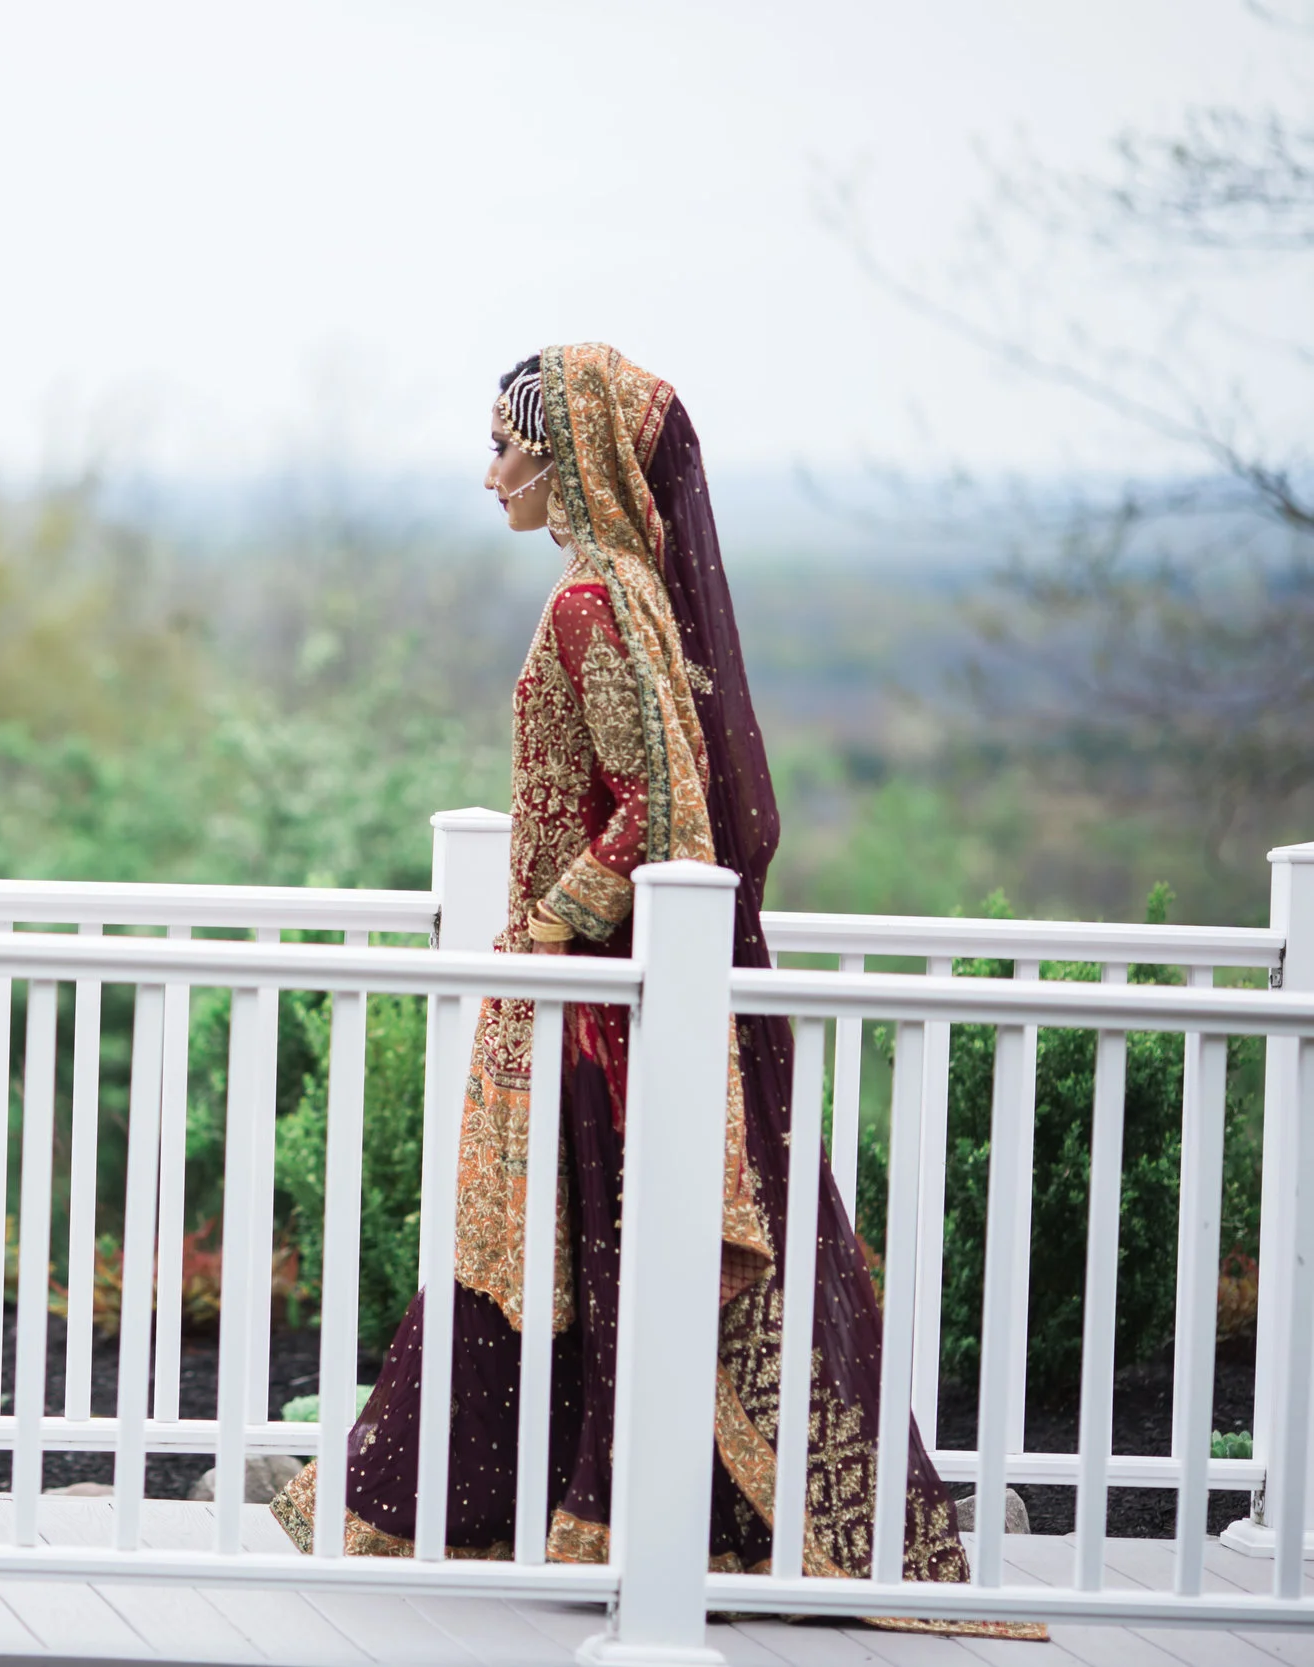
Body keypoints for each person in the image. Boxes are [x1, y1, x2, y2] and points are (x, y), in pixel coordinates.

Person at [271, 344, 1034, 1637]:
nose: (491, 470)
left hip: (602, 1006)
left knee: (597, 1256)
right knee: (574, 1257)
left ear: (571, 457)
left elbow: (663, 817)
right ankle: (603, 1517)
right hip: (599, 996)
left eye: (510, 443)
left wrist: (550, 932)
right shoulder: (617, 590)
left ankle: (623, 1527)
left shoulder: (595, 602)